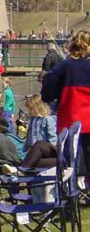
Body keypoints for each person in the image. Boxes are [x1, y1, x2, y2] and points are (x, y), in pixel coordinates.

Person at [42, 30, 90, 185]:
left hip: (69, 119)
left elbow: (48, 89)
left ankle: (71, 189)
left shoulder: (64, 66)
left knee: (70, 160)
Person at [2, 95, 57, 174]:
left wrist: (53, 149)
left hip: (45, 150)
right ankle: (19, 172)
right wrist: (25, 149)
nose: (29, 112)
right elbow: (29, 137)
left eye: (31, 109)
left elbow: (53, 138)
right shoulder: (32, 120)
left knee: (39, 145)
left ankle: (20, 170)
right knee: (32, 162)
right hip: (36, 152)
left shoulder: (48, 119)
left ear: (38, 108)